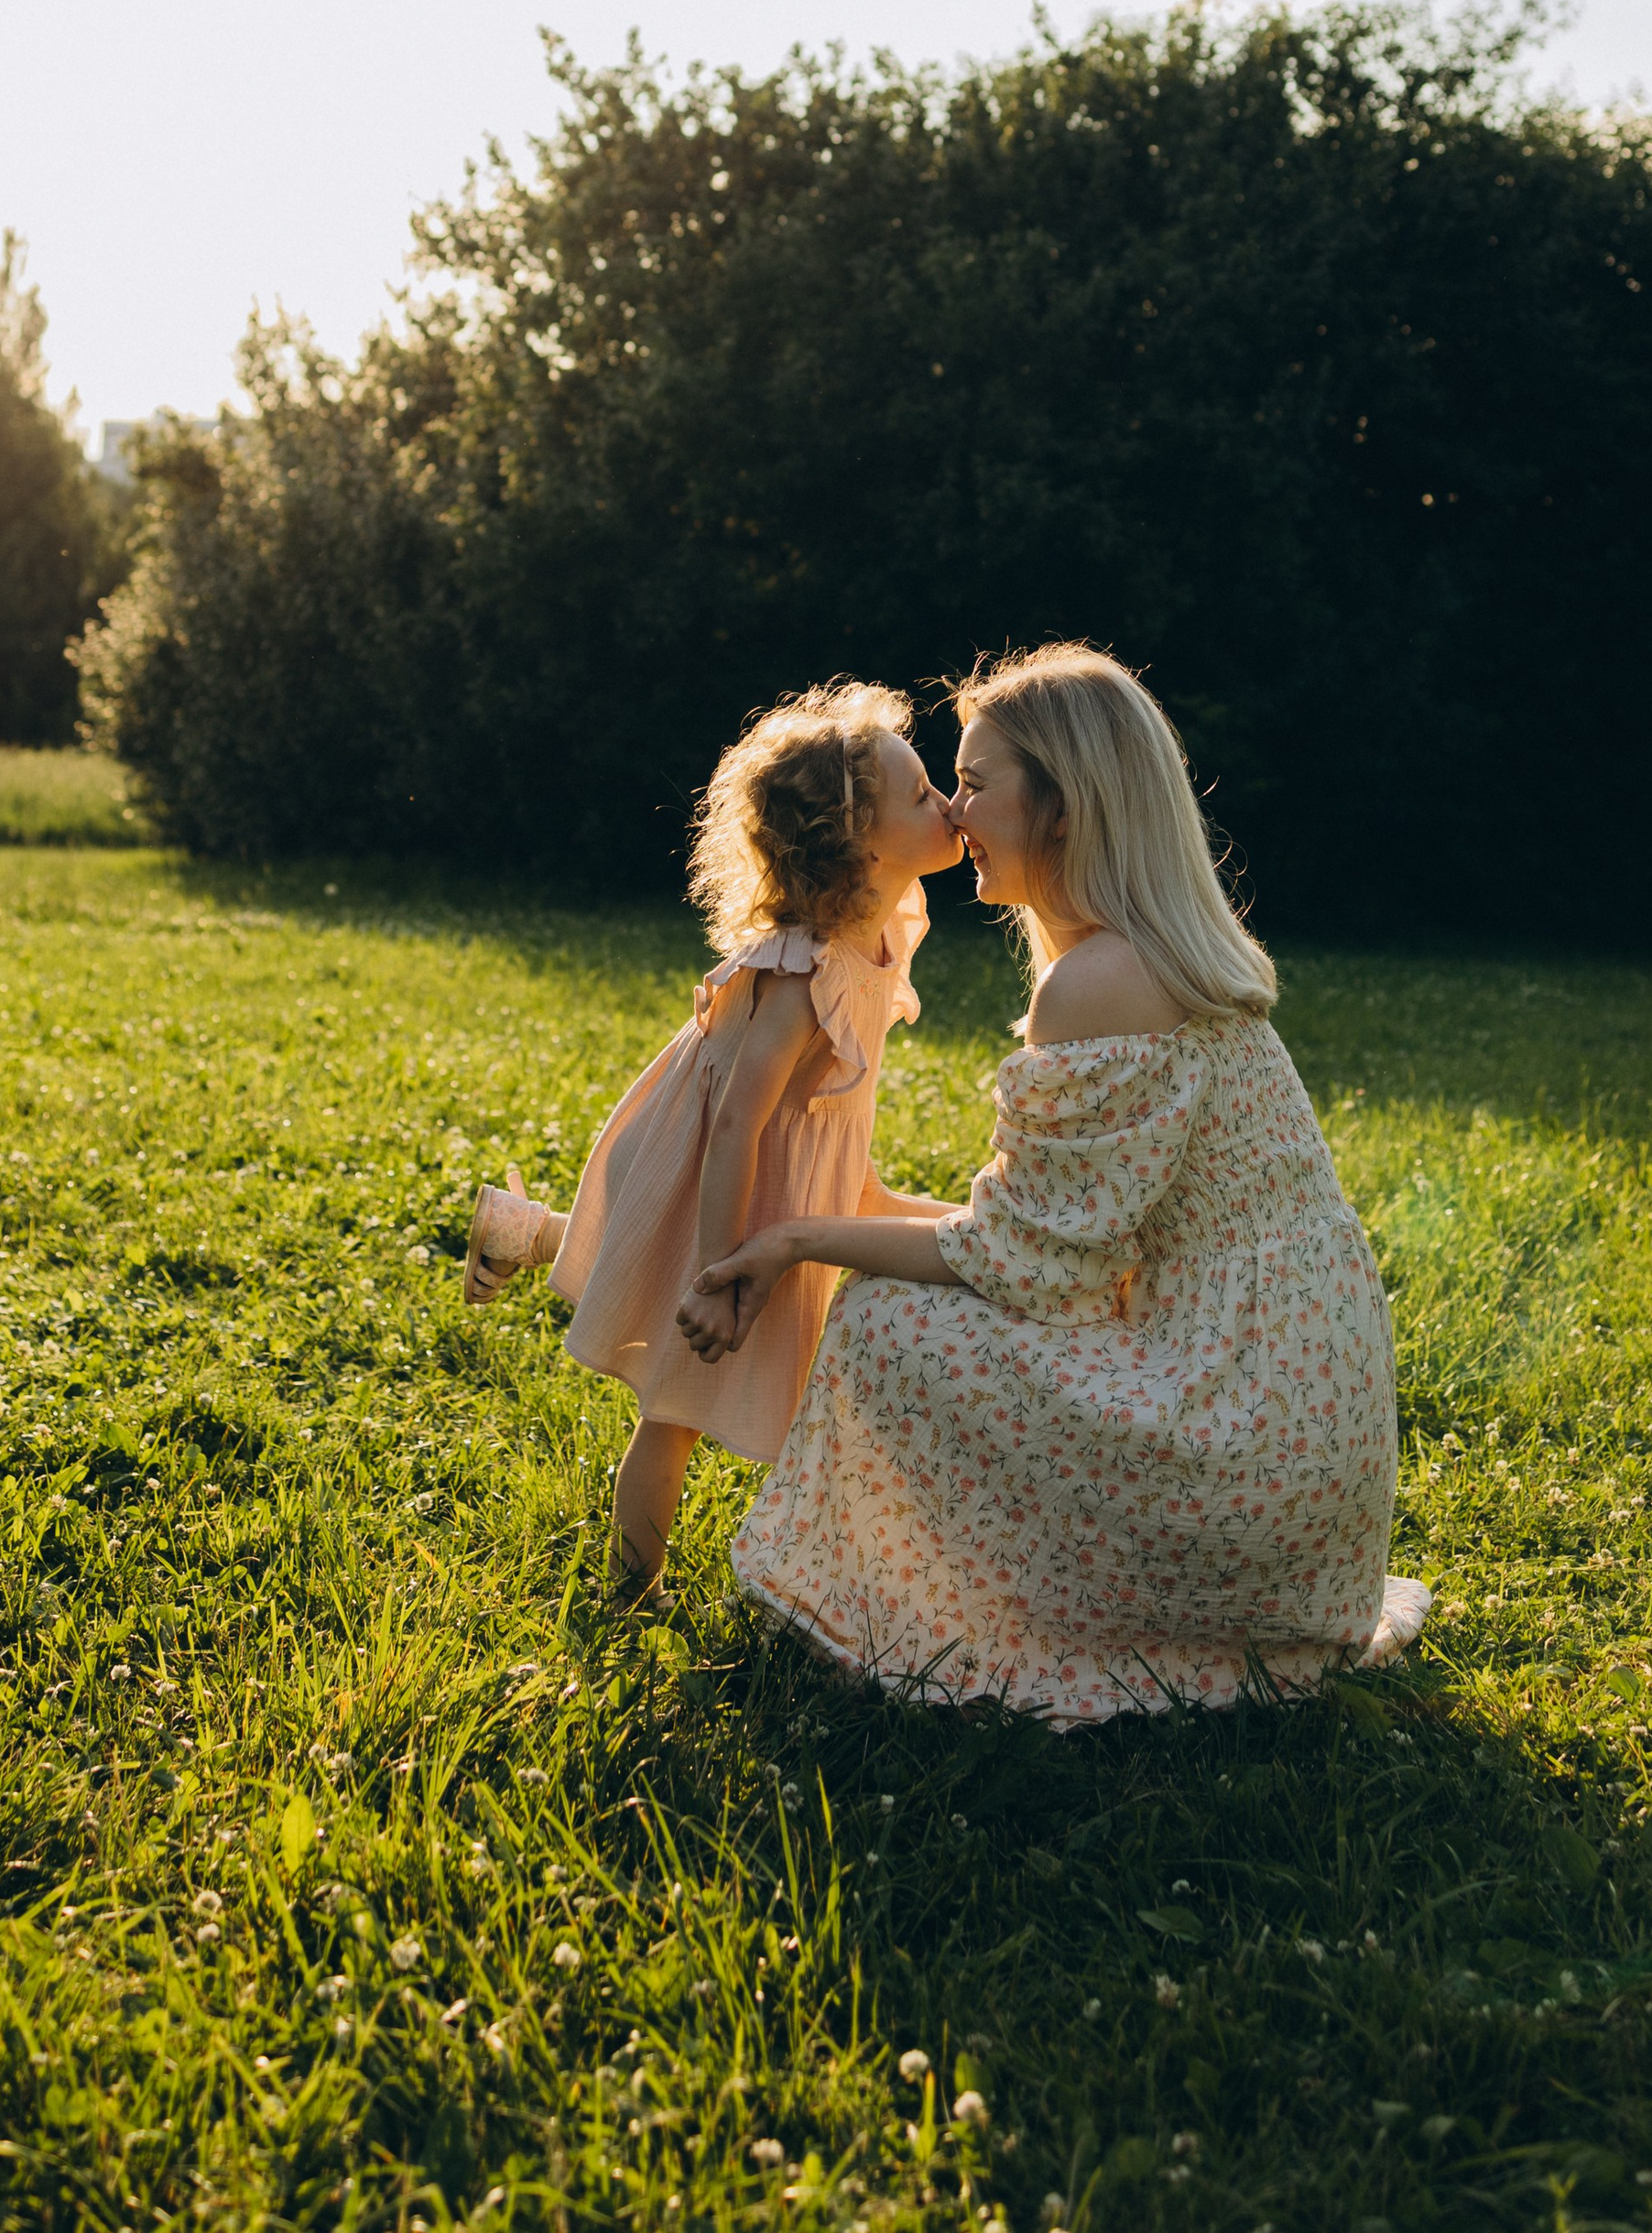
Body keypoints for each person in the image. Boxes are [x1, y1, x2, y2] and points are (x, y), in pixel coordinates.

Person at [678, 642, 1429, 1723]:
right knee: (910, 1305)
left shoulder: (1100, 982)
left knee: (885, 1324)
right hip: (1295, 1434)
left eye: (975, 783)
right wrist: (811, 1228)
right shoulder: (1154, 955)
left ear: (1063, 808)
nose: (955, 813)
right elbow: (1042, 1246)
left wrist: (796, 1240)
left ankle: (932, 1622)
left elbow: (1025, 1270)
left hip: (1243, 1434)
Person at [462, 681, 962, 1586]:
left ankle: (521, 1231)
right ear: (859, 843)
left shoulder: (883, 929)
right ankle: (632, 1598)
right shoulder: (804, 972)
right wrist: (718, 1280)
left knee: (858, 1233)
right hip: (728, 1177)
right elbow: (738, 1121)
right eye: (923, 793)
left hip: (800, 1169)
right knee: (676, 1410)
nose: (948, 802)